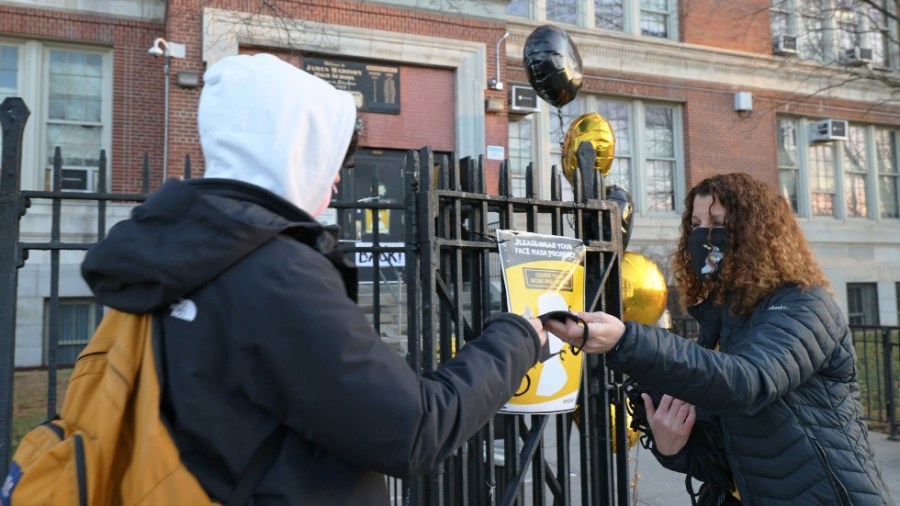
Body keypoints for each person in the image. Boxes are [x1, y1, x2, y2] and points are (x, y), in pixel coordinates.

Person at [81, 53, 552, 505]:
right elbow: (414, 430)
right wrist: (517, 337)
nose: (333, 185)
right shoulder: (274, 272)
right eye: (331, 161)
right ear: (293, 148)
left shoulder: (180, 250)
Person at [547, 172, 892, 505]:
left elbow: (746, 381)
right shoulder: (722, 322)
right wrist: (673, 447)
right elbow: (725, 462)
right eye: (696, 226)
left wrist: (626, 340)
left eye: (717, 224)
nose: (703, 237)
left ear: (758, 234)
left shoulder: (804, 304)